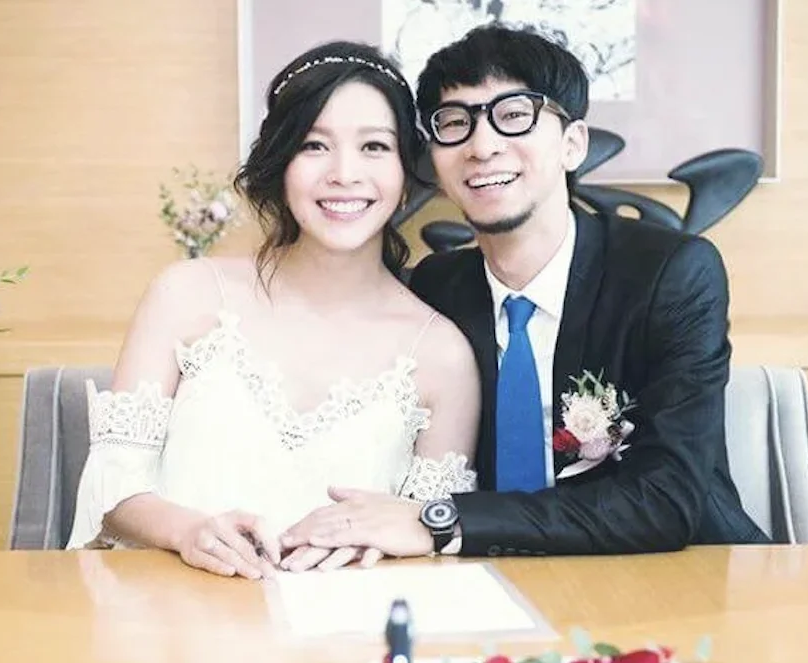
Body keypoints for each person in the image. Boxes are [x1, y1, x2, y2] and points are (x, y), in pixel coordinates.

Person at [281, 24, 770, 559]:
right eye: (455, 122)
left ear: (572, 144)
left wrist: (441, 523)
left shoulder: (668, 274)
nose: (482, 146)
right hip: (483, 582)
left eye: (514, 115)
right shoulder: (434, 289)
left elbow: (664, 500)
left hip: (683, 573)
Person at [65, 40, 481, 578]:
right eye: (314, 145)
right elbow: (112, 490)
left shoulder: (442, 354)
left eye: (375, 147)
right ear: (280, 164)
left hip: (343, 623)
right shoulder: (186, 295)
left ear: (406, 174)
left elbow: (433, 546)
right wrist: (188, 532)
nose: (344, 173)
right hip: (171, 610)